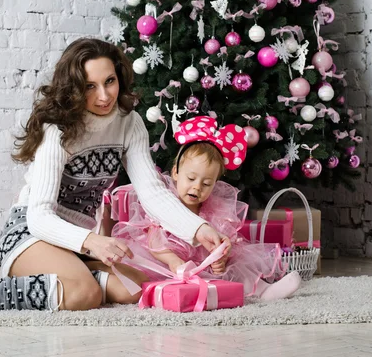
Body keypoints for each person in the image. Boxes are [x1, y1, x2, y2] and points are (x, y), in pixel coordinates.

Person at [0, 38, 227, 323]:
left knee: (138, 288)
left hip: (76, 242)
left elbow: (153, 193)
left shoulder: (129, 124)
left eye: (110, 81)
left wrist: (198, 229)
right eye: (90, 87)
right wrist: (91, 241)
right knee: (83, 295)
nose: (104, 96)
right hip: (30, 233)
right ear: (75, 88)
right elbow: (39, 217)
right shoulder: (58, 131)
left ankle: (69, 275)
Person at [112, 116, 302, 300]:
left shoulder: (215, 209)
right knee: (148, 277)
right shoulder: (164, 203)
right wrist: (172, 260)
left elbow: (221, 241)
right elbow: (153, 243)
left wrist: (221, 257)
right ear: (177, 173)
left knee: (236, 266)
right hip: (167, 263)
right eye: (191, 179)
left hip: (203, 265)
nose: (197, 187)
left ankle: (263, 291)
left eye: (206, 183)